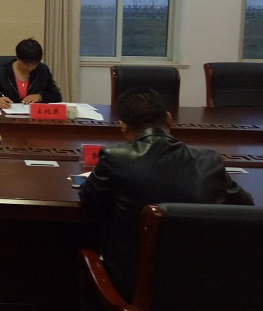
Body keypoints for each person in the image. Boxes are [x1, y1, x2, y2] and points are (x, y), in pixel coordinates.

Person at [79, 87, 253, 301]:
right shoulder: (209, 160)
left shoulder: (115, 158)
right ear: (169, 119)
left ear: (123, 127)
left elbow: (89, 200)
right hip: (203, 288)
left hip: (132, 287)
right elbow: (245, 206)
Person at [0, 37, 61, 108]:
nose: (30, 67)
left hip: (35, 116)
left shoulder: (43, 70)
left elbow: (57, 95)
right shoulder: (3, 71)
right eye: (26, 63)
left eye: (34, 63)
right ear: (18, 58)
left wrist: (40, 96)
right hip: (8, 115)